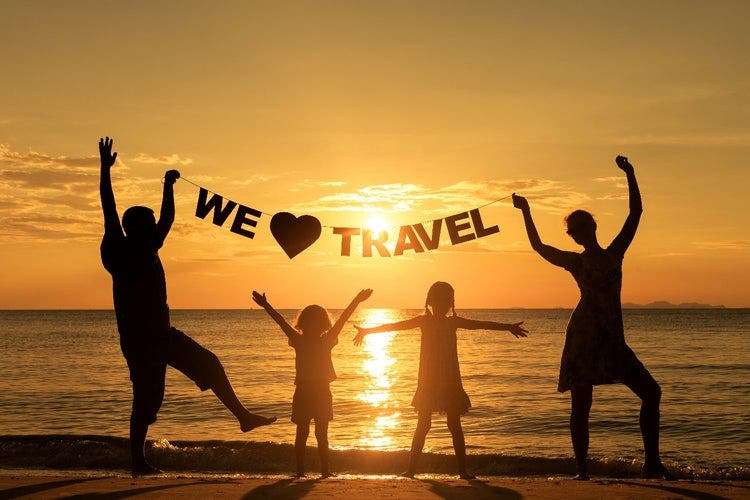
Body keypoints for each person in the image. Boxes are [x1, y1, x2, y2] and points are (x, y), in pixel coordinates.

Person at [98, 137, 275, 476]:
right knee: (147, 402)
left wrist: (167, 186)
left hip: (163, 335)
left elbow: (167, 218)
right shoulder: (118, 251)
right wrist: (105, 170)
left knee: (210, 363)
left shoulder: (149, 246)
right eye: (149, 222)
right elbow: (108, 206)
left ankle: (243, 418)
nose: (156, 226)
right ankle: (137, 460)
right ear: (134, 228)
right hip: (139, 342)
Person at [512, 155, 668, 480]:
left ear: (593, 227)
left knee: (651, 393)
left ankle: (651, 462)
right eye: (573, 232)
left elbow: (636, 213)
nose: (577, 234)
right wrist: (526, 211)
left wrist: (630, 174)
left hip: (612, 339)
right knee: (581, 404)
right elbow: (539, 246)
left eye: (581, 228)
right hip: (583, 337)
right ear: (573, 236)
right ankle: (582, 470)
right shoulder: (575, 262)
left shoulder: (615, 253)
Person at [353, 282, 527, 479]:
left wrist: (507, 327)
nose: (443, 305)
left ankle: (460, 471)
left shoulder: (451, 322)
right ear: (430, 302)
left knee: (453, 424)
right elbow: (394, 326)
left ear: (450, 303)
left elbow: (481, 324)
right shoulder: (425, 321)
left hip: (449, 381)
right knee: (424, 424)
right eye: (440, 300)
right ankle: (412, 470)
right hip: (429, 381)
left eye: (446, 301)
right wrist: (367, 331)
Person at [252, 288, 373, 477]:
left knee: (320, 434)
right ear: (304, 324)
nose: (314, 325)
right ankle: (302, 471)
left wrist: (357, 300)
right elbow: (281, 322)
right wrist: (266, 305)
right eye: (310, 321)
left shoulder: (324, 339)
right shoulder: (299, 339)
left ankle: (323, 471)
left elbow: (343, 319)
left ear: (323, 324)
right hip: (305, 391)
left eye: (317, 321)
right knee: (303, 433)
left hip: (320, 391)